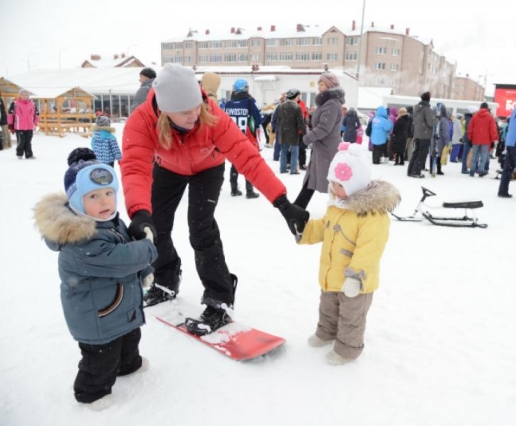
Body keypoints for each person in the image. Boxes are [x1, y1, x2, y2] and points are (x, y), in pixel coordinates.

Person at [120, 64, 309, 334]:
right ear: (164, 109)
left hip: (208, 168)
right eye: (185, 111)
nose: (195, 115)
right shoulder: (142, 120)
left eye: (196, 105)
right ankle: (165, 278)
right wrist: (139, 211)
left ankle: (219, 298)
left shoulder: (210, 114)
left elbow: (247, 156)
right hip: (167, 168)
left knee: (201, 228)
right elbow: (135, 167)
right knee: (155, 225)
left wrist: (282, 202)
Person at [33, 148, 157, 410]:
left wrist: (144, 271)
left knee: (128, 340)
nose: (105, 202)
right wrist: (148, 247)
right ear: (76, 202)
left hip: (118, 307)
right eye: (94, 196)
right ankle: (91, 392)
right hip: (96, 315)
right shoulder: (79, 239)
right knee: (100, 357)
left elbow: (127, 247)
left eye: (109, 193)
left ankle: (128, 364)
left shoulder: (109, 222)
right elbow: (120, 259)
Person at [299, 142, 400, 365]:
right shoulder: (337, 205)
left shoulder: (372, 215)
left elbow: (370, 249)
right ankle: (326, 332)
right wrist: (304, 230)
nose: (334, 189)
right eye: (332, 183)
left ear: (355, 184)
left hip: (356, 280)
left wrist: (356, 276)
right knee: (328, 306)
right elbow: (325, 226)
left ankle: (347, 349)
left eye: (340, 184)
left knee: (351, 316)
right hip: (332, 274)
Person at [293, 72, 345, 209]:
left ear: (329, 85)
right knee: (313, 177)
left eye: (321, 84)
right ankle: (298, 206)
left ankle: (343, 207)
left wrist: (307, 139)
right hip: (321, 147)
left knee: (333, 181)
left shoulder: (332, 103)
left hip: (328, 149)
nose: (319, 87)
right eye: (319, 84)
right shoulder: (327, 102)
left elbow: (324, 128)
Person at [225, 78, 263, 198]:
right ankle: (249, 190)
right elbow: (258, 120)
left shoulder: (228, 103)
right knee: (248, 164)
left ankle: (234, 188)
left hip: (232, 139)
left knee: (235, 163)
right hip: (246, 138)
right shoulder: (250, 102)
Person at [273, 88, 306, 174]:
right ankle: (293, 169)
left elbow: (277, 119)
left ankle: (283, 168)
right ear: (295, 97)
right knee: (294, 151)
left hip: (283, 131)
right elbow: (300, 122)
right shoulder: (297, 107)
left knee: (284, 150)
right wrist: (304, 133)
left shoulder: (280, 106)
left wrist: (278, 129)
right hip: (293, 132)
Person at [407, 92, 437, 178]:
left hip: (417, 134)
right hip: (425, 135)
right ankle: (416, 172)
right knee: (422, 154)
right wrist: (437, 119)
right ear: (428, 99)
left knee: (416, 153)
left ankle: (410, 170)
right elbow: (431, 123)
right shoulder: (427, 109)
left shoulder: (416, 109)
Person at [467, 102, 498, 177]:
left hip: (475, 140)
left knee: (474, 156)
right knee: (483, 157)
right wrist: (493, 140)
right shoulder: (490, 117)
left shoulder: (475, 117)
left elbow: (470, 129)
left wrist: (470, 139)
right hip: (486, 140)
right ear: (487, 108)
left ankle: (472, 171)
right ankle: (480, 171)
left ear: (480, 108)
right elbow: (492, 130)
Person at [8, 89, 39, 159]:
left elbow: (36, 115)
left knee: (28, 141)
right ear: (20, 95)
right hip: (19, 127)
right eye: (23, 95)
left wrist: (35, 123)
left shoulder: (33, 104)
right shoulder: (15, 104)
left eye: (26, 95)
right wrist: (10, 123)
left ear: (28, 96)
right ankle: (19, 154)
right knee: (21, 141)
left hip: (30, 126)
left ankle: (29, 154)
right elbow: (10, 114)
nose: (24, 96)